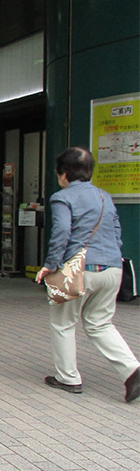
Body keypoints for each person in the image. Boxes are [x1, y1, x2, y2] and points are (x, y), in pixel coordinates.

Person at [35, 147, 139, 403]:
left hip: (80, 270)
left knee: (63, 323)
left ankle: (68, 378)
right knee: (99, 323)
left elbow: (61, 232)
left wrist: (50, 265)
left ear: (63, 175)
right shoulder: (105, 197)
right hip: (113, 269)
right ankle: (133, 371)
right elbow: (117, 234)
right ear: (90, 172)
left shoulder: (63, 197)